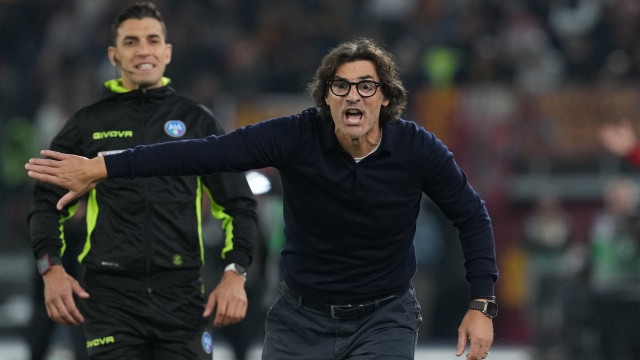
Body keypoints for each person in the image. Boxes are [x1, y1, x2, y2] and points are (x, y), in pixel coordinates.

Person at [26, 38, 498, 360]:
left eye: (366, 86)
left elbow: (472, 217)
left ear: (385, 99)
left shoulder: (418, 149)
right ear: (327, 98)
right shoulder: (296, 136)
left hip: (385, 315)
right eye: (341, 86)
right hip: (300, 318)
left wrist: (482, 305)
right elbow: (208, 152)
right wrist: (104, 165)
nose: (353, 95)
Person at [26, 3, 257, 360]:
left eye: (152, 40)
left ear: (167, 52)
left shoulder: (197, 122)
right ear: (114, 54)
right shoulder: (86, 125)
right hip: (108, 299)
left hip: (182, 297)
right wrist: (50, 269)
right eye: (131, 42)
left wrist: (235, 273)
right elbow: (44, 202)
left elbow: (239, 205)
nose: (143, 50)